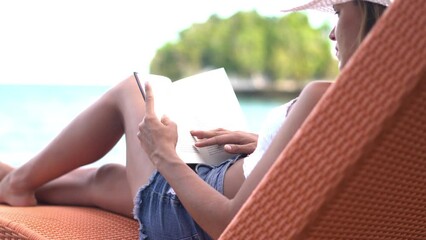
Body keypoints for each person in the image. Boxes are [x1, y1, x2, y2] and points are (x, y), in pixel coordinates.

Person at [0, 0, 391, 239]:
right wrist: (269, 144)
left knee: (136, 88)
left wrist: (164, 155)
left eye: (339, 12)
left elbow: (232, 228)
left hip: (191, 217)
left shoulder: (325, 98)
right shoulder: (384, 123)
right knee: (105, 179)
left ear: (377, 18)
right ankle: (17, 178)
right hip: (211, 193)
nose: (331, 34)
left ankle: (18, 182)